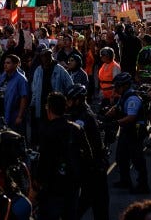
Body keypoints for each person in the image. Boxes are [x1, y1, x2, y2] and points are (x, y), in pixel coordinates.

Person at [36, 92, 93, 220]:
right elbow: (88, 156)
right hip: (73, 185)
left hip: (53, 188)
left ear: (49, 109)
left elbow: (44, 162)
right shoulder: (77, 129)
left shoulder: (48, 131)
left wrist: (37, 185)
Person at [65, 85, 109, 220]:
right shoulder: (80, 112)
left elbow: (73, 141)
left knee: (93, 202)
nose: (68, 103)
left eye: (70, 100)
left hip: (93, 166)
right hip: (90, 165)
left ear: (78, 100)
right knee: (90, 200)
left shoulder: (83, 118)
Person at [107, 72, 150, 194]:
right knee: (121, 156)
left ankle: (143, 185)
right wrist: (105, 115)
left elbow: (131, 117)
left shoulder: (132, 98)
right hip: (127, 129)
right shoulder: (124, 96)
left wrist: (115, 123)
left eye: (117, 86)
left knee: (137, 158)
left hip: (135, 130)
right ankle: (125, 180)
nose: (115, 88)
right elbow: (117, 108)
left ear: (125, 85)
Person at [30, 49, 73, 146]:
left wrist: (65, 101)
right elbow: (34, 89)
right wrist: (32, 104)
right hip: (41, 106)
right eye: (43, 56)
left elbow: (70, 85)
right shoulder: (38, 70)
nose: (45, 58)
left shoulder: (59, 69)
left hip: (55, 106)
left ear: (51, 56)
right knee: (42, 131)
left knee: (55, 131)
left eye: (47, 55)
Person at [0, 54, 29, 134]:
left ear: (15, 64)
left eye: (8, 63)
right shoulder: (3, 76)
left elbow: (24, 98)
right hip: (0, 111)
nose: (5, 65)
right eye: (5, 63)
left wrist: (19, 116)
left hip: (13, 113)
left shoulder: (21, 79)